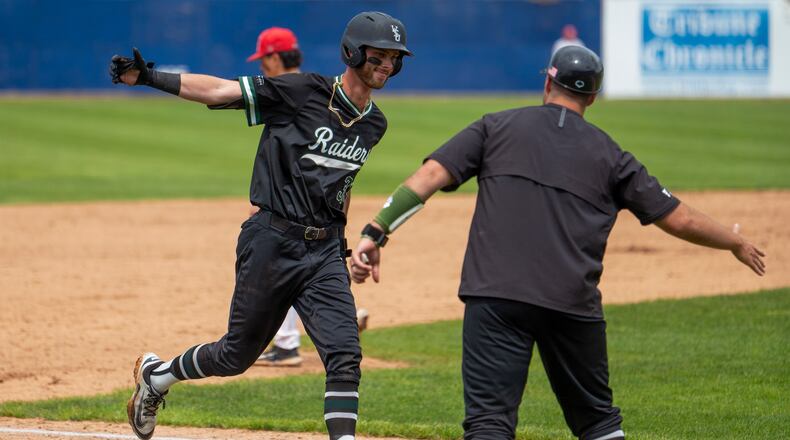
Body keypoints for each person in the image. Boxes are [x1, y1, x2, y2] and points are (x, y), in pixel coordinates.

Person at [350, 46, 766, 440]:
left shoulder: (494, 126)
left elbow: (427, 179)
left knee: (489, 422)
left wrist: (376, 230)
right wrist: (733, 242)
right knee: (599, 422)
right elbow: (679, 217)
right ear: (594, 98)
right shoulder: (612, 156)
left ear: (547, 83)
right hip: (571, 304)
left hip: (496, 296)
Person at [110, 11, 411, 440]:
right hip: (272, 241)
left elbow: (333, 183)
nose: (387, 65)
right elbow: (219, 91)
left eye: (394, 58)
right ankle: (157, 378)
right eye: (378, 55)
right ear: (352, 52)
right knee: (235, 356)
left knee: (345, 355)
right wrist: (149, 77)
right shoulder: (303, 91)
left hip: (325, 251)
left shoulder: (374, 123)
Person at [243, 26, 370, 367]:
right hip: (317, 219)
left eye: (263, 59)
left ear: (273, 56)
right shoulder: (320, 90)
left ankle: (287, 342)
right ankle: (336, 317)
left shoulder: (294, 93)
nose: (262, 67)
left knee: (280, 263)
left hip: (293, 217)